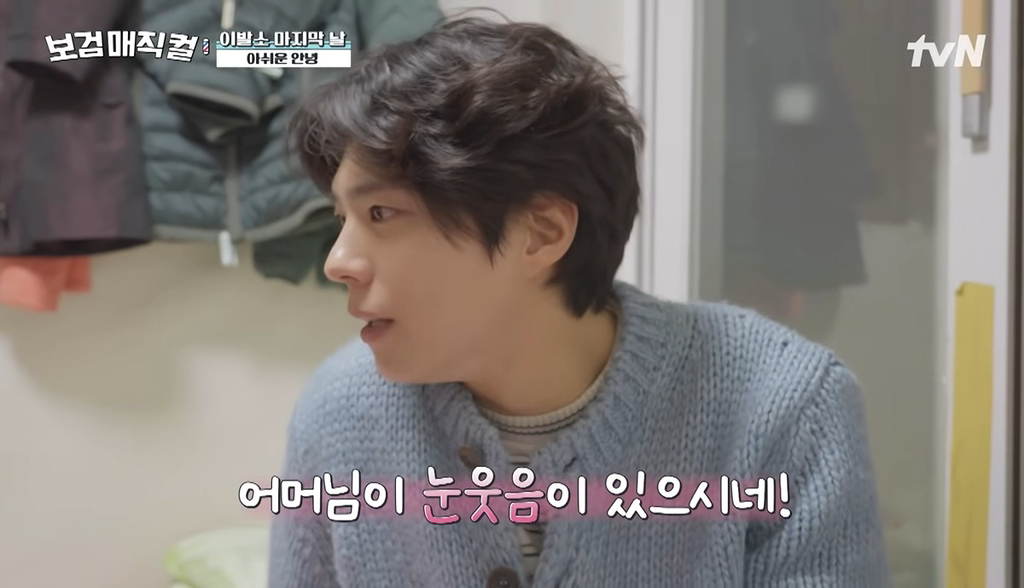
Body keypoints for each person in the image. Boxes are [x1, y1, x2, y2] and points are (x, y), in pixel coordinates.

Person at [268, 15, 890, 588]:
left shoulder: (787, 407)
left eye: (381, 213)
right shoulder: (338, 413)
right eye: (342, 218)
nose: (337, 262)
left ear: (541, 233)